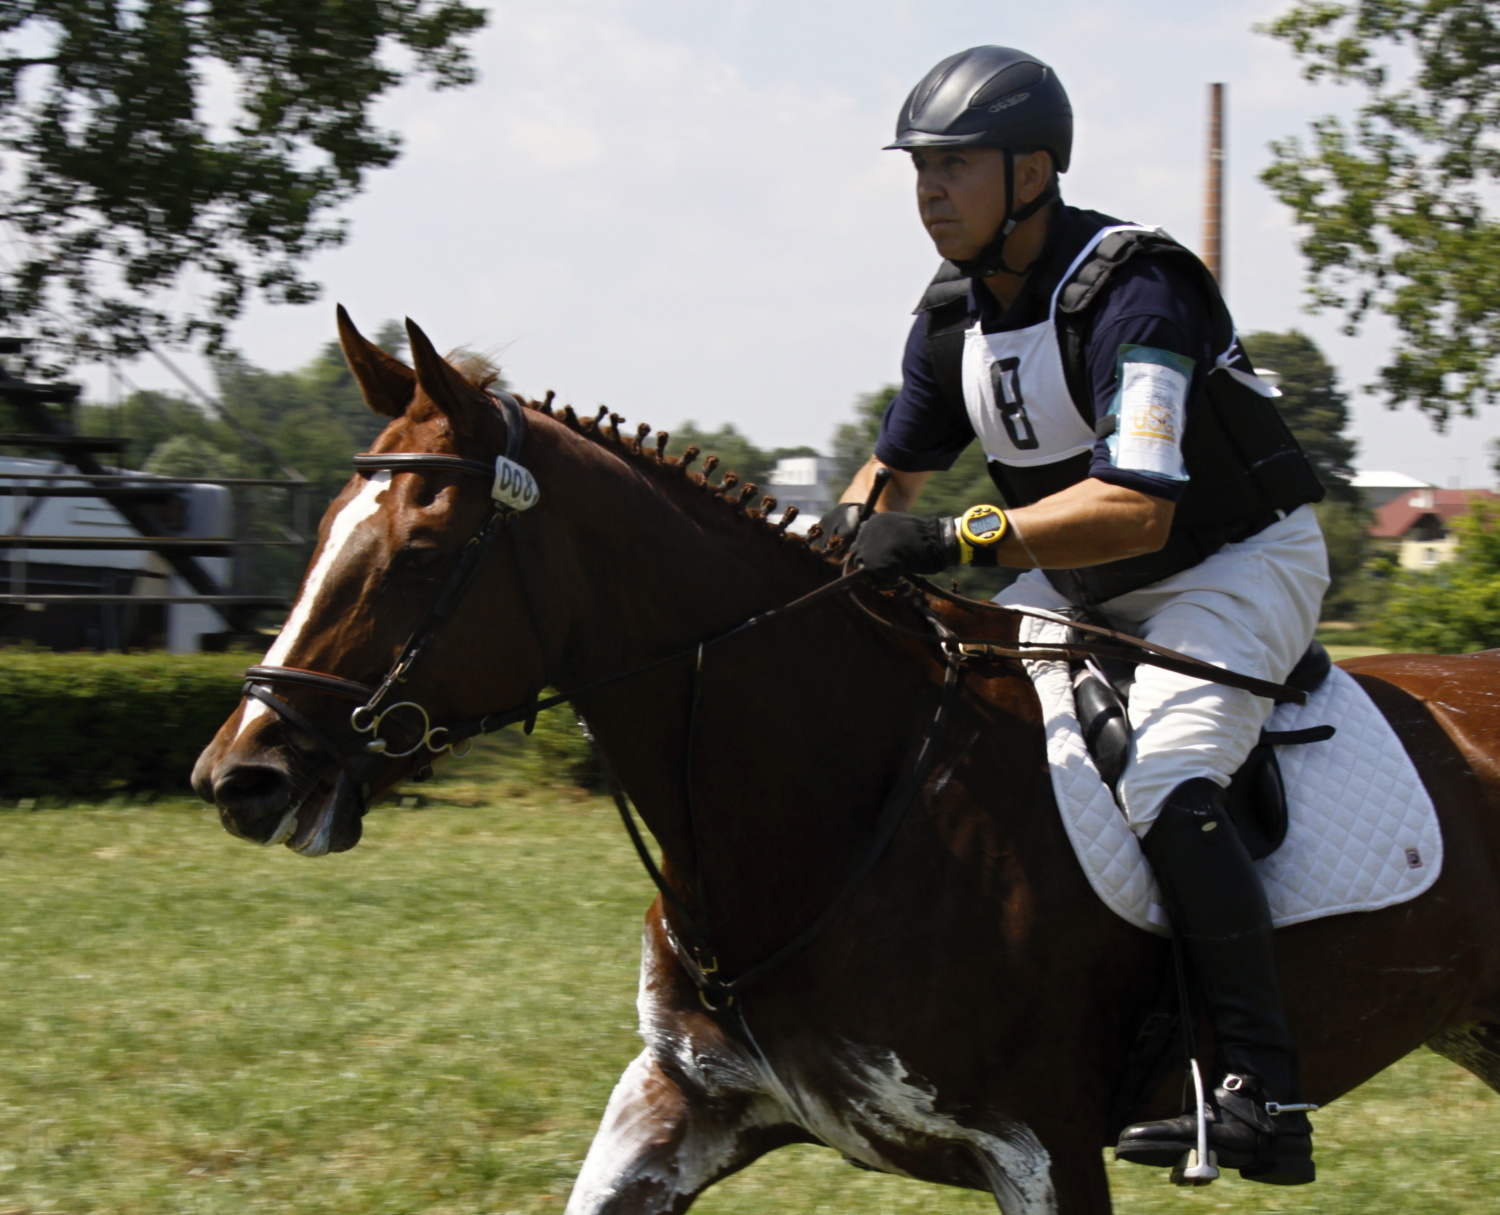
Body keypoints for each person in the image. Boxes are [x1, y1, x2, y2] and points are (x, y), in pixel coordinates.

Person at [827, 46, 1328, 1185]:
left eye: (957, 165)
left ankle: (1261, 1087)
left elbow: (1140, 511)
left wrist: (960, 541)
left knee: (1165, 776)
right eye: (921, 169)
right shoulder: (953, 315)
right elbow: (890, 479)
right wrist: (832, 559)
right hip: (1082, 573)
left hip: (1232, 562)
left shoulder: (1132, 287)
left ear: (1036, 171)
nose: (931, 190)